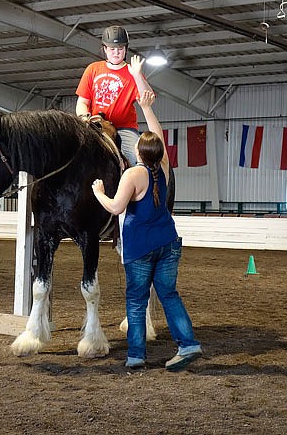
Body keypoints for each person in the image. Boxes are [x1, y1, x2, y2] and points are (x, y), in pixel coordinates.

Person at [91, 90, 202, 372]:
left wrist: (99, 192)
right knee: (169, 295)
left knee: (137, 301)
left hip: (140, 248)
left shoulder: (133, 174)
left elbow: (115, 208)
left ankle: (136, 355)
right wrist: (147, 108)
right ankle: (188, 344)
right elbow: (158, 135)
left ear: (138, 152)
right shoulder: (163, 167)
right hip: (168, 242)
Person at [76, 25, 154, 166]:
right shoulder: (93, 69)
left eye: (120, 49)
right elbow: (82, 102)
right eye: (112, 49)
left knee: (133, 158)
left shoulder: (132, 73)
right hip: (96, 125)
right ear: (105, 49)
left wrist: (137, 76)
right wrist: (84, 119)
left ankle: (135, 185)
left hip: (124, 128)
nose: (116, 53)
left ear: (126, 49)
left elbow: (148, 98)